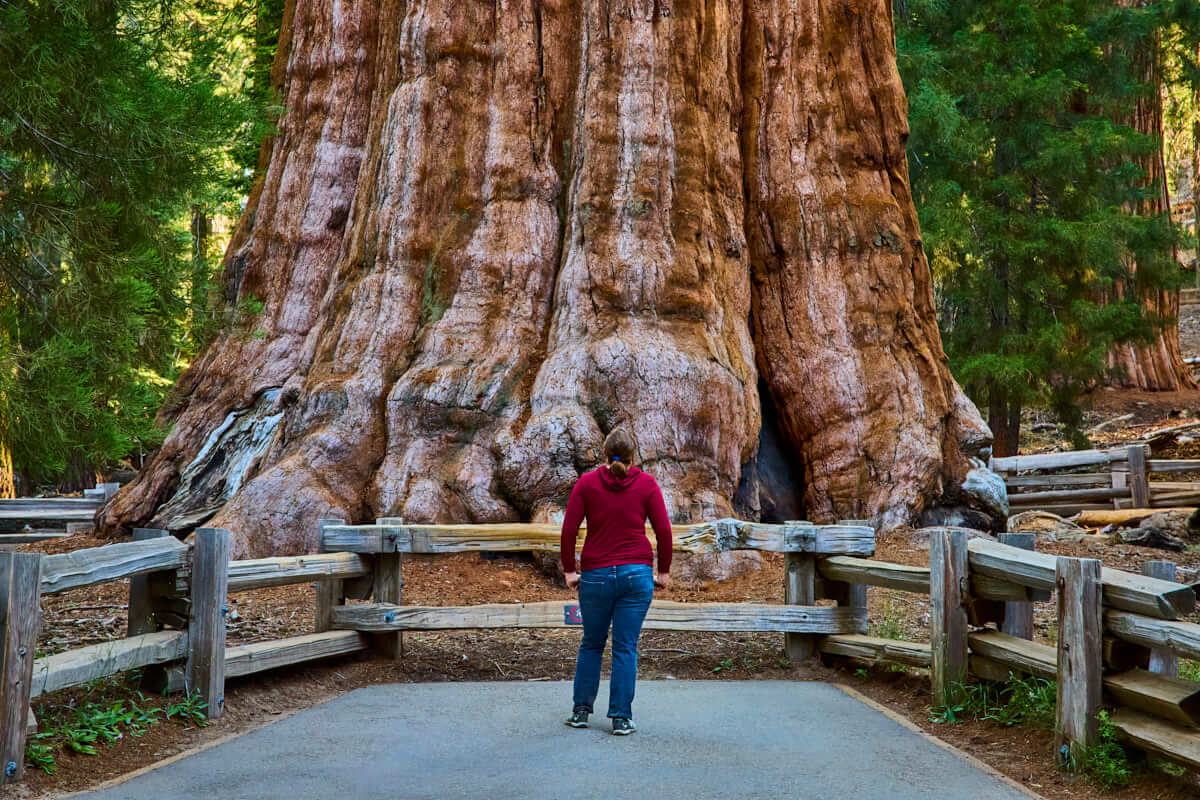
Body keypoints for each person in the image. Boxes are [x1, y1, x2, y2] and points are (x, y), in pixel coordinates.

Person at [561, 428, 672, 735]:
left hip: (596, 576)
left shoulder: (586, 484)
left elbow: (568, 530)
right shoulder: (647, 485)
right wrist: (663, 572)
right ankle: (621, 717)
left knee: (592, 644)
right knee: (625, 647)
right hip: (636, 576)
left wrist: (570, 570)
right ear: (634, 457)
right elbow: (663, 531)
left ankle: (581, 711)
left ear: (604, 454)